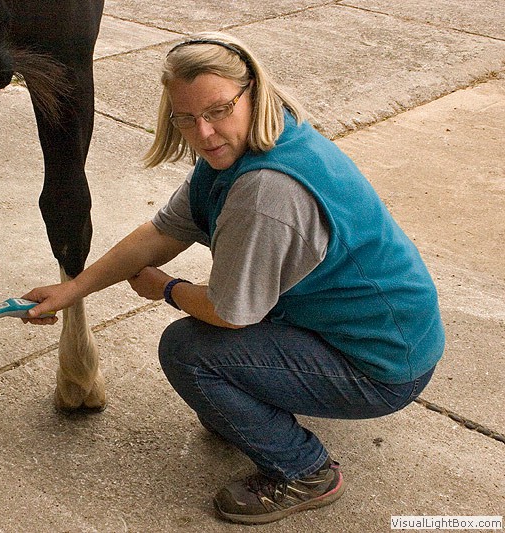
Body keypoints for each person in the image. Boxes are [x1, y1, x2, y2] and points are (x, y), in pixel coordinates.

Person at [22, 31, 444, 525]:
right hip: (381, 332)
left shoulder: (266, 191)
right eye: (186, 118)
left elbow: (230, 313)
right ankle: (255, 408)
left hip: (384, 366)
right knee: (218, 366)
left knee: (188, 350)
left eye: (218, 110)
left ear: (253, 92)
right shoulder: (253, 144)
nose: (203, 133)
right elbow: (161, 233)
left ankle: (305, 470)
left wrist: (167, 288)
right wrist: (72, 290)